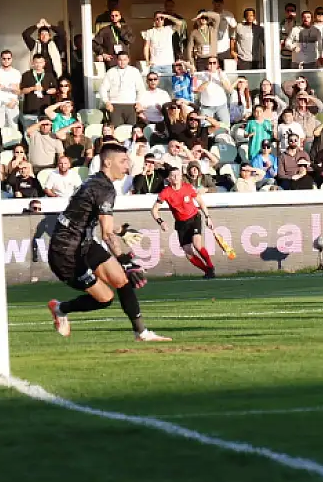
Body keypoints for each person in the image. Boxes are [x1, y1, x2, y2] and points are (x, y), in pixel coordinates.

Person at [45, 143, 169, 342]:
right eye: (122, 161)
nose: (127, 165)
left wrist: (123, 231)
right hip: (66, 252)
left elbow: (100, 221)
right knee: (104, 299)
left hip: (83, 243)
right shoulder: (104, 189)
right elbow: (106, 233)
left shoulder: (95, 182)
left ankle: (141, 333)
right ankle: (60, 309)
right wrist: (123, 259)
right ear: (107, 162)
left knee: (122, 280)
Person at [151, 165, 218, 279]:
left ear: (181, 176)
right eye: (173, 175)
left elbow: (201, 203)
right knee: (188, 252)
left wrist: (207, 217)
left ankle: (211, 266)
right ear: (169, 178)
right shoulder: (165, 192)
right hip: (181, 223)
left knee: (197, 243)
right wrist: (160, 222)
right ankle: (207, 271)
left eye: (178, 175)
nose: (176, 177)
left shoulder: (188, 187)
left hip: (194, 218)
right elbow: (154, 210)